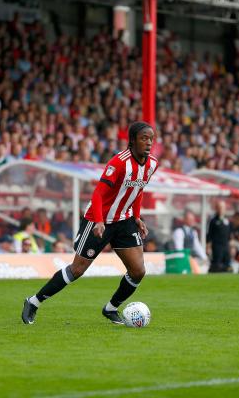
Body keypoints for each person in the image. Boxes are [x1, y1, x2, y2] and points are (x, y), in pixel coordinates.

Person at [22, 121, 158, 324]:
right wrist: (99, 221)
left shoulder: (152, 164)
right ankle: (33, 302)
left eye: (151, 139)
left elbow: (137, 191)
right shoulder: (119, 163)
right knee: (77, 270)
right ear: (132, 141)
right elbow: (98, 193)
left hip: (125, 220)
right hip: (98, 220)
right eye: (144, 138)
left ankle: (111, 308)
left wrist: (137, 217)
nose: (148, 143)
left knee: (138, 271)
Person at [207, 200, 231, 272]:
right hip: (217, 246)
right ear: (216, 209)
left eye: (223, 208)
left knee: (227, 263)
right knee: (216, 264)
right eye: (219, 207)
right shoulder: (213, 221)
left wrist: (231, 246)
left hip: (226, 245)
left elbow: (229, 234)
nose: (221, 209)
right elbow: (209, 234)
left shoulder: (227, 220)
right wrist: (208, 246)